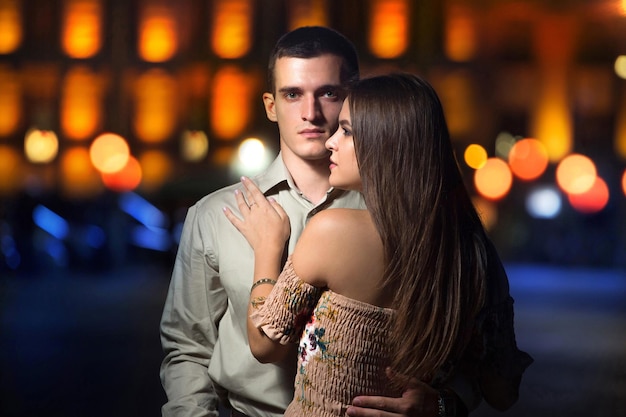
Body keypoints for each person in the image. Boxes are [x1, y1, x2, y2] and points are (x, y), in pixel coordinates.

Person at [161, 26, 484, 417]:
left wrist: (444, 405)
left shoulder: (409, 216)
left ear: (355, 97)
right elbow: (188, 349)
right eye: (292, 94)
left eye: (328, 93)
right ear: (270, 105)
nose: (310, 113)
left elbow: (475, 354)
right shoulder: (214, 215)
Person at [223, 73, 533, 417]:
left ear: (386, 143)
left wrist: (267, 247)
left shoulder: (332, 231)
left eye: (347, 130)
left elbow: (265, 344)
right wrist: (443, 405)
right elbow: (502, 390)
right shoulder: (475, 255)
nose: (331, 141)